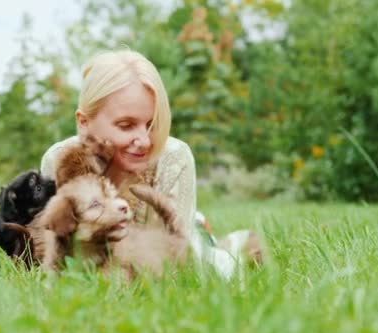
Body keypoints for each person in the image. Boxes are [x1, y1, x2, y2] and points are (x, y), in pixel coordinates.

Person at [40, 50, 262, 280]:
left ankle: (221, 238)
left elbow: (177, 264)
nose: (145, 141)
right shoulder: (59, 161)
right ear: (84, 123)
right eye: (126, 125)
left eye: (152, 123)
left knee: (214, 265)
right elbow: (54, 251)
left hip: (170, 246)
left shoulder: (174, 158)